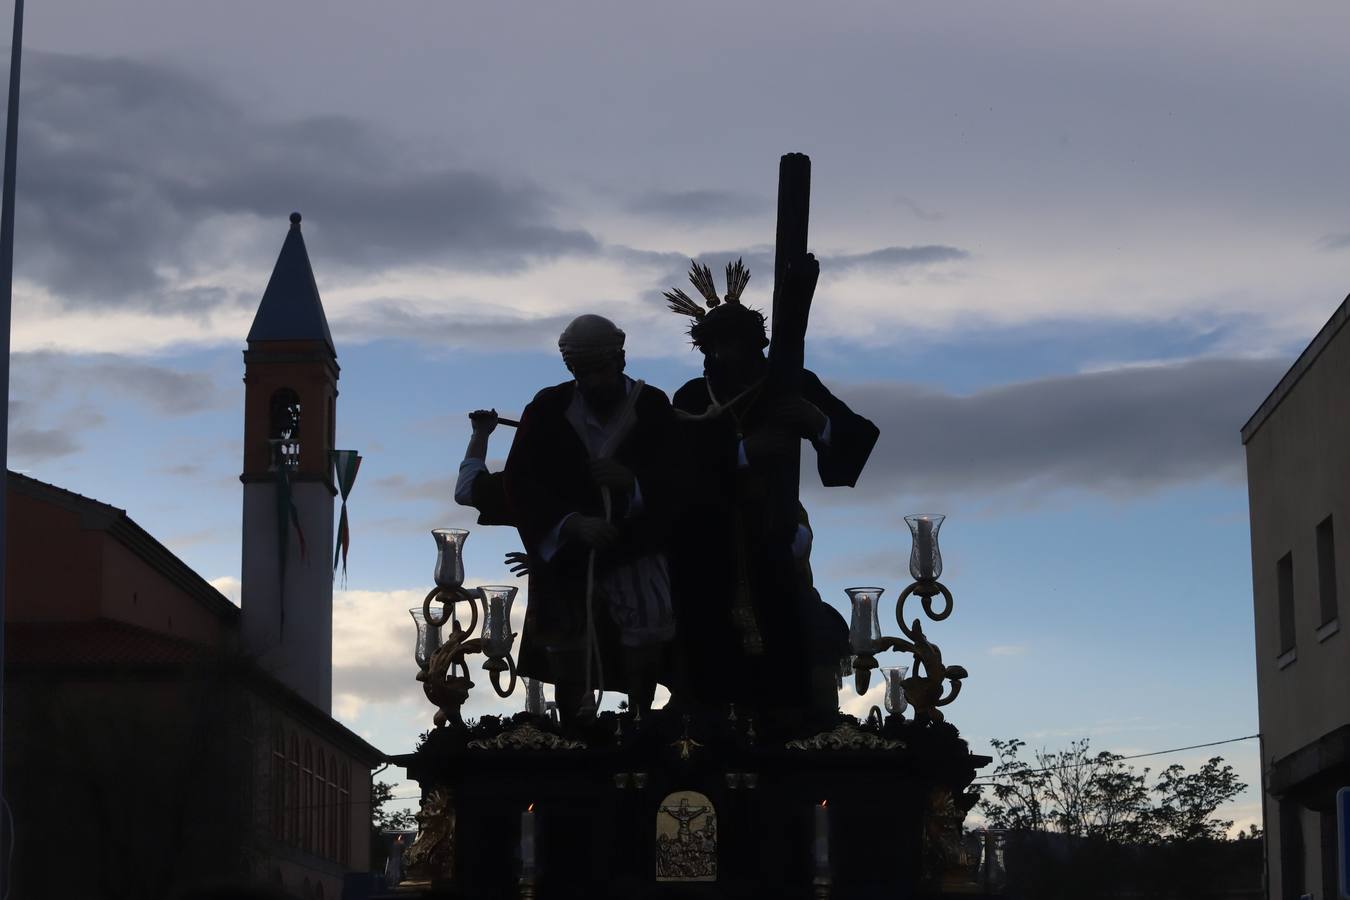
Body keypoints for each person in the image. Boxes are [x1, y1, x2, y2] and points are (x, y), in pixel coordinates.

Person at [663, 257, 879, 715]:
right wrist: (745, 452)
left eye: (739, 345)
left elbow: (855, 432)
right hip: (710, 537)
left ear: (758, 344)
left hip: (777, 526)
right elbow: (677, 469)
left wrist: (816, 421)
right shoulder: (693, 397)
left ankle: (797, 720)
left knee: (795, 629)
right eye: (717, 347)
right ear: (705, 349)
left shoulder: (789, 381)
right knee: (706, 635)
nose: (728, 357)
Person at [503, 315, 678, 720]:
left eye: (599, 370)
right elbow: (521, 481)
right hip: (568, 550)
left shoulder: (652, 406)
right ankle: (573, 728)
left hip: (634, 543)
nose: (593, 381)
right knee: (564, 634)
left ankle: (640, 716)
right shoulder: (548, 407)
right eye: (581, 372)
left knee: (649, 618)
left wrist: (633, 484)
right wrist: (570, 524)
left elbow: (678, 477)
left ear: (619, 359)